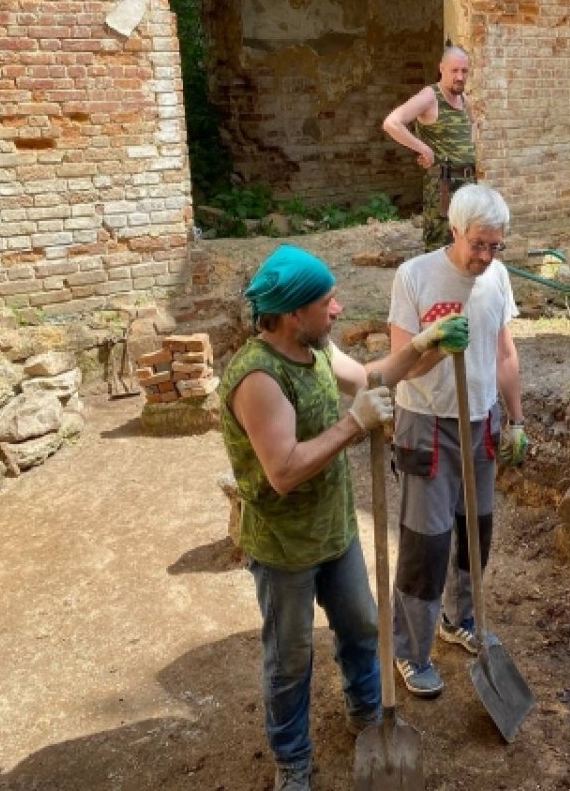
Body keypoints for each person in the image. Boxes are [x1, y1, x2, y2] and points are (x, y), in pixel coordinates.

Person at [218, 245, 469, 791]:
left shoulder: (318, 349)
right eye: (327, 302)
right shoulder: (257, 378)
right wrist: (354, 425)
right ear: (291, 314)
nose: (338, 310)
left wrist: (424, 346)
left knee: (361, 626)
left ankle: (366, 713)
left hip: (335, 532)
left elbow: (374, 376)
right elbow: (283, 471)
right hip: (285, 546)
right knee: (290, 659)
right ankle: (293, 761)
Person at [386, 184, 528, 699]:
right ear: (454, 231)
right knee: (427, 543)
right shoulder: (415, 276)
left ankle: (460, 619)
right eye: (478, 245)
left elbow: (505, 353)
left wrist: (516, 418)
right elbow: (400, 364)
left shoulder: (498, 277)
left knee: (476, 531)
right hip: (426, 423)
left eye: (496, 246)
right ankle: (409, 650)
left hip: (481, 421)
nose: (487, 256)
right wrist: (433, 345)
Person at [383, 46, 478, 250]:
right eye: (454, 70)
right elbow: (392, 123)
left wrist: (469, 148)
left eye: (464, 71)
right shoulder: (430, 96)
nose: (460, 77)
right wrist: (423, 149)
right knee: (440, 247)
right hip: (443, 186)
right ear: (442, 69)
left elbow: (473, 123)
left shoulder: (464, 100)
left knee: (467, 243)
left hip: (469, 183)